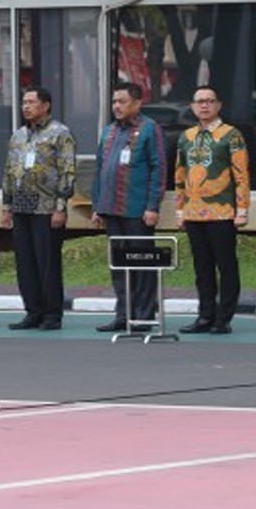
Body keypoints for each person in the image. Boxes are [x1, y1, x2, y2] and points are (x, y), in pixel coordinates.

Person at [91, 81, 167, 332]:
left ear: (137, 103)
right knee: (119, 264)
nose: (117, 106)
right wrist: (97, 206)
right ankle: (123, 314)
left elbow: (159, 168)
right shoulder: (109, 131)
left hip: (137, 210)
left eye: (122, 101)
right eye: (114, 102)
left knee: (142, 263)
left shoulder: (149, 129)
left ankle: (144, 316)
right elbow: (100, 169)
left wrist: (152, 206)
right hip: (111, 209)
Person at [175, 85, 250, 335]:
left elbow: (241, 175)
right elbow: (180, 175)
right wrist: (180, 209)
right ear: (193, 106)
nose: (204, 105)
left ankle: (224, 317)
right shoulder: (186, 136)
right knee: (202, 267)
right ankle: (205, 315)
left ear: (219, 106)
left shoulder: (231, 135)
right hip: (194, 211)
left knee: (226, 265)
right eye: (199, 101)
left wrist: (242, 209)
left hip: (222, 211)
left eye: (209, 101)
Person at [1, 86, 75, 331]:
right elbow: (9, 171)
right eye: (24, 102)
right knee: (25, 263)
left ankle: (52, 314)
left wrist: (61, 207)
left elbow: (67, 170)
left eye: (31, 102)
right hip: (22, 206)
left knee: (47, 263)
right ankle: (32, 311)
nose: (26, 106)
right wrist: (6, 205)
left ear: (46, 105)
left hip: (47, 207)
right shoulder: (19, 135)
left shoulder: (59, 133)